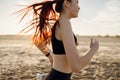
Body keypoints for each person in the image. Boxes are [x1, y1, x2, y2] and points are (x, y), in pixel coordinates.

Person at [16, 0, 99, 80]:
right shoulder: (64, 24)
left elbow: (37, 41)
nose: (79, 7)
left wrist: (50, 56)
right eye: (77, 2)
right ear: (67, 3)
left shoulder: (59, 23)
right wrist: (93, 49)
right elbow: (76, 66)